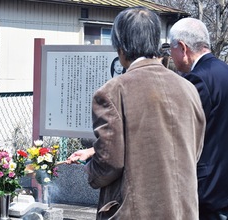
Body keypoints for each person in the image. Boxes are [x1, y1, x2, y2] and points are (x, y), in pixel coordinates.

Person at [67, 6, 206, 219]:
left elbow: (109, 162)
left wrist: (89, 171)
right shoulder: (188, 88)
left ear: (121, 46)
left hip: (135, 211)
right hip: (184, 209)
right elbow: (194, 151)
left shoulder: (113, 91)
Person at [169, 17, 228, 220]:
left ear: (183, 48)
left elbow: (181, 133)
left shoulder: (197, 80)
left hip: (208, 190)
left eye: (171, 48)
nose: (170, 55)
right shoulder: (224, 71)